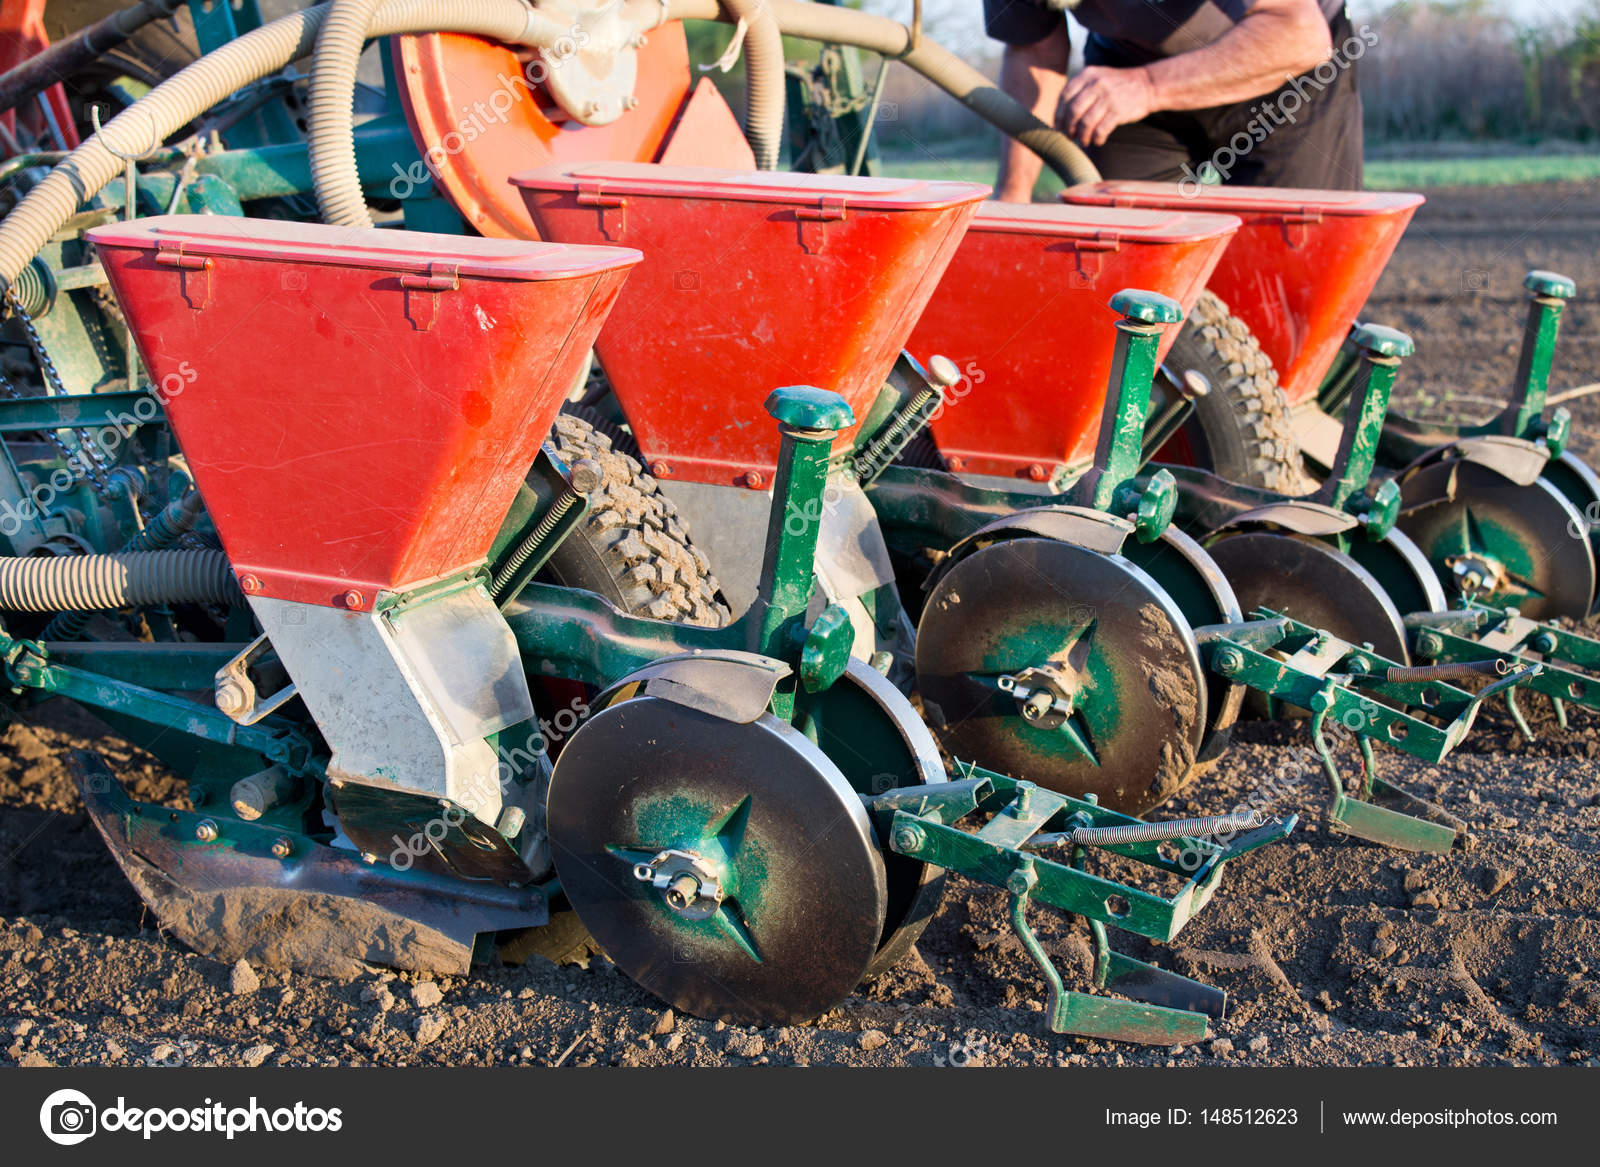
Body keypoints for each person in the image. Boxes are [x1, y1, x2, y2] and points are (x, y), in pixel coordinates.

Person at [987, 0, 1369, 200]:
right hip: (1129, 66)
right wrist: (1013, 193)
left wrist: (1148, 87)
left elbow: (1298, 33)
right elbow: (1033, 51)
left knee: (1288, 266)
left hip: (1282, 72)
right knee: (1124, 254)